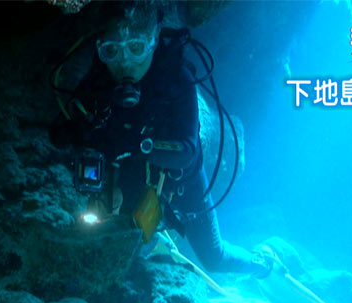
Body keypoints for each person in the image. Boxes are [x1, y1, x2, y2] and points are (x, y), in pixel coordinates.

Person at [49, 4, 274, 278]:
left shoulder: (177, 80)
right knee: (121, 237)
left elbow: (187, 151)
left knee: (213, 257)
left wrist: (133, 144)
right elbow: (61, 131)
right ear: (100, 49)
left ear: (154, 41)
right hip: (131, 176)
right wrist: (81, 134)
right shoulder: (100, 79)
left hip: (180, 181)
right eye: (112, 51)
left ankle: (261, 264)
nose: (124, 63)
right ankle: (154, 239)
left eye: (135, 48)